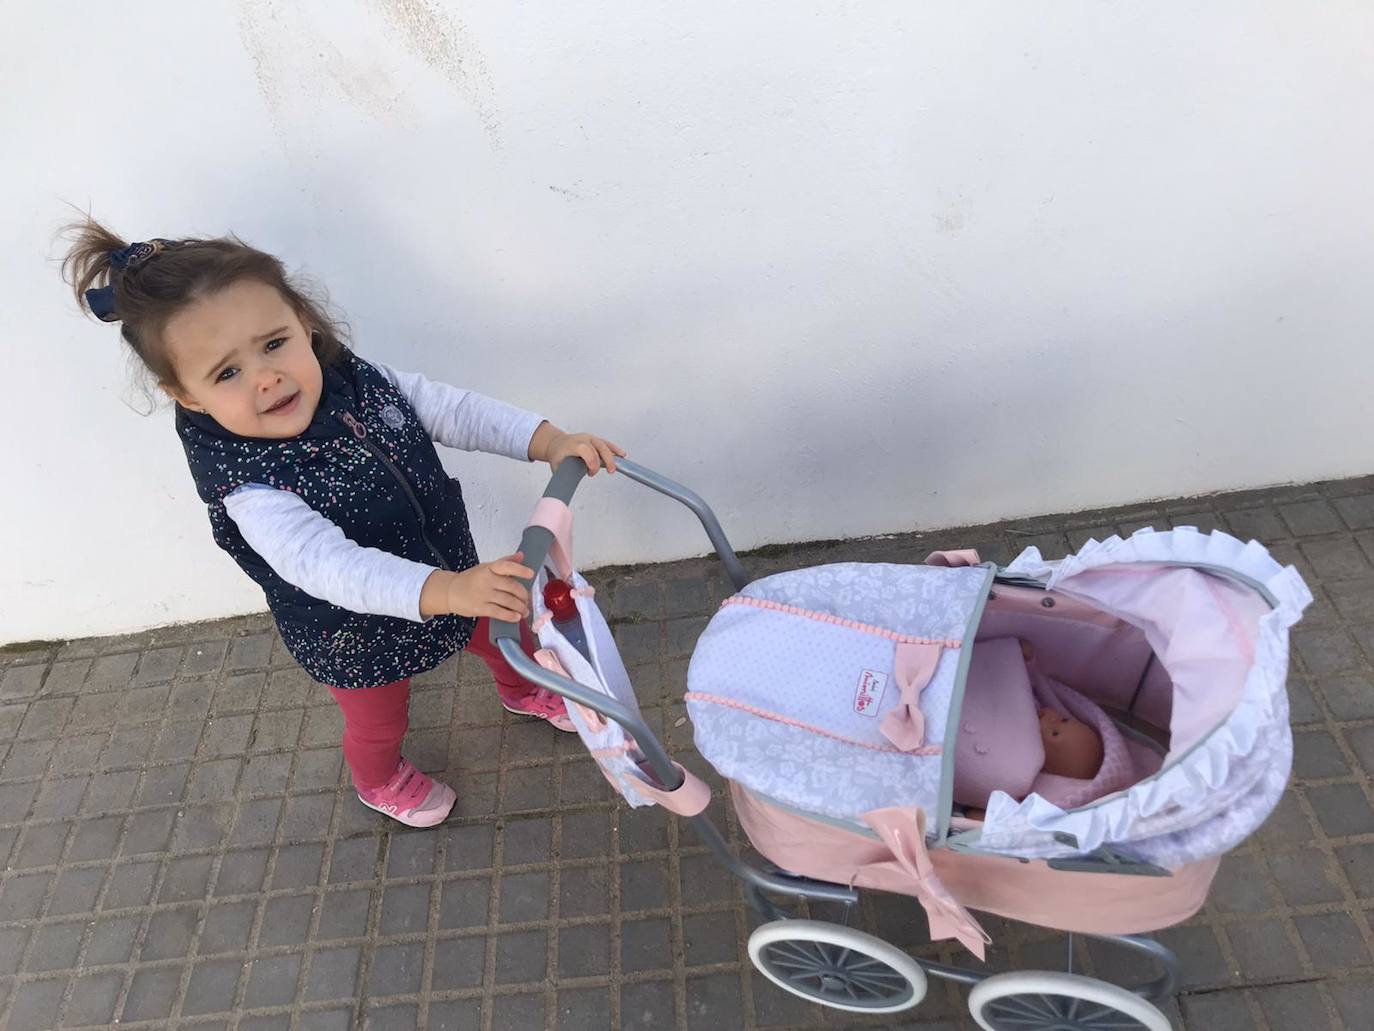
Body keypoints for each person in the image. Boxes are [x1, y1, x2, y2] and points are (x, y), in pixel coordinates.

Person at [62, 221, 625, 828]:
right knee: (379, 719)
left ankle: (522, 686)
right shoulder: (250, 487)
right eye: (227, 373)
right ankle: (378, 779)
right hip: (352, 630)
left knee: (499, 629)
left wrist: (547, 440)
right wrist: (447, 590)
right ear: (187, 395)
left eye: (274, 343)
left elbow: (448, 408)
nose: (266, 377)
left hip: (445, 572)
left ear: (303, 322)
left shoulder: (354, 382)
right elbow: (329, 567)